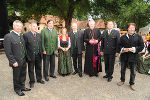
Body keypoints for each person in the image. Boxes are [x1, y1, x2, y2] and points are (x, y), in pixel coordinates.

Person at [3, 20, 31, 96]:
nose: (19, 28)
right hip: (16, 61)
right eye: (17, 26)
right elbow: (8, 51)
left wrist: (26, 57)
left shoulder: (21, 35)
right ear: (13, 26)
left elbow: (24, 47)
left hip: (23, 59)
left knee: (23, 74)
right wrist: (13, 61)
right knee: (17, 76)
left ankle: (22, 87)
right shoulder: (8, 36)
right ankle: (17, 89)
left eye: (20, 26)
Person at [117, 23, 144, 91]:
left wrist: (134, 49)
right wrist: (123, 49)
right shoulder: (123, 37)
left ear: (135, 29)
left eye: (133, 27)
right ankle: (122, 80)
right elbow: (119, 45)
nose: (132, 29)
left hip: (134, 56)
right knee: (123, 69)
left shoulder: (138, 36)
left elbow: (141, 47)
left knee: (133, 71)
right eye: (130, 27)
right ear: (127, 28)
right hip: (124, 56)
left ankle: (132, 83)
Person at [23, 22, 45, 88]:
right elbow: (25, 47)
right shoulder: (26, 35)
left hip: (38, 55)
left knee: (39, 68)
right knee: (31, 69)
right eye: (33, 26)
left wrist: (41, 53)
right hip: (31, 56)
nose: (35, 28)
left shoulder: (39, 35)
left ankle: (39, 79)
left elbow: (40, 45)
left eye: (36, 26)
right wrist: (27, 56)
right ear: (30, 27)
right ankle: (32, 81)